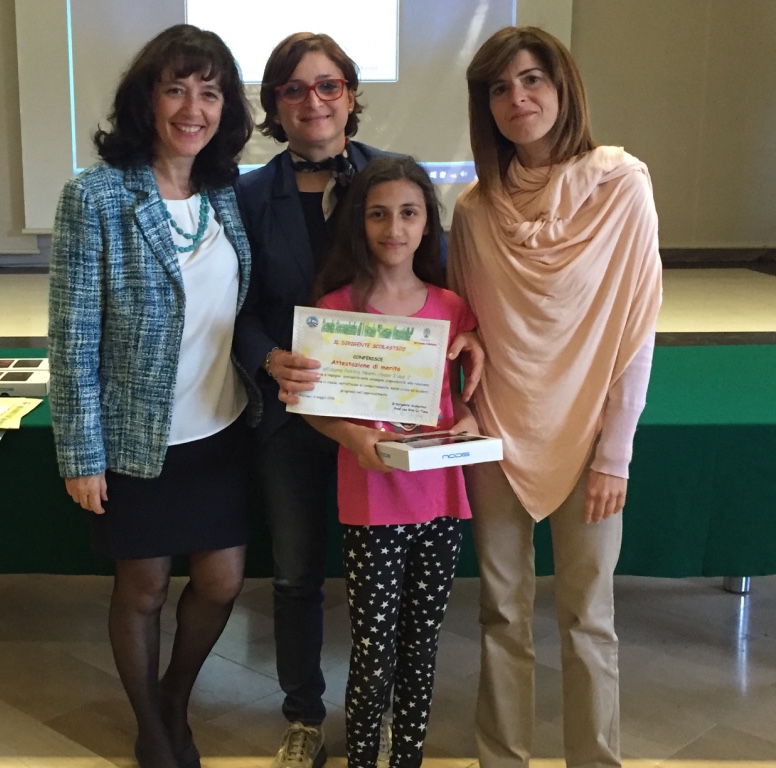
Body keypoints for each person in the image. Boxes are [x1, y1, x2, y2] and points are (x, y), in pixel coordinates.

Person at [234, 33, 482, 768]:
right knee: (295, 573)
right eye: (294, 88)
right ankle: (305, 717)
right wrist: (267, 357)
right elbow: (235, 307)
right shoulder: (248, 196)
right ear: (275, 103)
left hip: (388, 420)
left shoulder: (391, 179)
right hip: (296, 409)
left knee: (389, 603)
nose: (313, 101)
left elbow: (439, 285)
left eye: (328, 85)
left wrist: (474, 339)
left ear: (349, 94)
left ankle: (390, 726)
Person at [447, 26, 663, 768]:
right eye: (499, 87)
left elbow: (635, 329)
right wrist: (464, 408)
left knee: (588, 617)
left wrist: (615, 453)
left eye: (532, 78)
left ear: (563, 85)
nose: (518, 98)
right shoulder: (474, 211)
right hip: (497, 436)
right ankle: (501, 758)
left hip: (589, 438)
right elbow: (466, 328)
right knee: (501, 612)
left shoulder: (621, 185)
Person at [47, 24, 258, 768]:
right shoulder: (96, 196)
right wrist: (81, 453)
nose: (193, 108)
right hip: (138, 436)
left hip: (221, 425)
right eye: (176, 89)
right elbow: (72, 335)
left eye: (210, 92)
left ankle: (174, 694)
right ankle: (151, 726)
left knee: (222, 582)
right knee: (143, 588)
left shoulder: (225, 193)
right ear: (147, 99)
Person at [293, 156, 480, 768]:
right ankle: (361, 760)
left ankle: (408, 759)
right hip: (372, 505)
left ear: (428, 223)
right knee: (373, 650)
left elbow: (464, 397)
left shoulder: (452, 307)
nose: (394, 228)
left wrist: (468, 420)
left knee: (421, 647)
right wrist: (352, 437)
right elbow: (309, 407)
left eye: (408, 213)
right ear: (359, 223)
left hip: (441, 500)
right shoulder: (335, 308)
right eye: (378, 214)